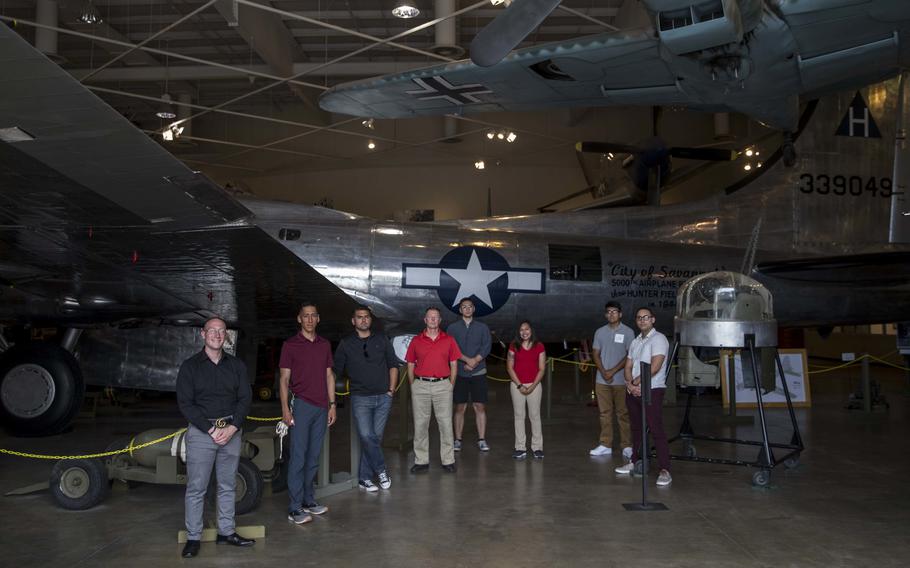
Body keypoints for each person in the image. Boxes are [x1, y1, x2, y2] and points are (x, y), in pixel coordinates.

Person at [176, 317, 254, 558]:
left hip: (230, 432)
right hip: (202, 433)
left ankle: (226, 532)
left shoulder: (236, 366)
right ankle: (193, 538)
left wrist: (232, 428)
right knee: (197, 488)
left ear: (225, 336)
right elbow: (185, 404)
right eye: (212, 331)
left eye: (221, 331)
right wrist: (211, 430)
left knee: (227, 485)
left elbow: (245, 399)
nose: (217, 335)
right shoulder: (190, 367)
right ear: (203, 334)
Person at [280, 302, 337, 524]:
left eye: (314, 316)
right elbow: (284, 379)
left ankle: (308, 501)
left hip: (322, 407)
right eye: (306, 316)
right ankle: (294, 508)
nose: (310, 319)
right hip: (301, 406)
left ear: (318, 319)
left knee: (313, 457)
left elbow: (329, 376)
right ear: (299, 319)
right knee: (298, 457)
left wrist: (332, 404)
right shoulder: (290, 345)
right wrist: (285, 408)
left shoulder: (324, 345)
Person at [334, 306, 399, 492]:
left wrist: (391, 390)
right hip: (360, 398)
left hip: (383, 397)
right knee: (366, 435)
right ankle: (381, 470)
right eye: (359, 317)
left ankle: (364, 478)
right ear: (353, 321)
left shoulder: (381, 339)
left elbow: (393, 365)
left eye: (366, 317)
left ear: (370, 320)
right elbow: (334, 371)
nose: (363, 320)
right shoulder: (346, 343)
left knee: (374, 438)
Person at [615, 307, 672, 487]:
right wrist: (630, 384)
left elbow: (655, 367)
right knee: (637, 428)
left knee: (656, 429)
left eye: (646, 317)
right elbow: (628, 365)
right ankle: (635, 461)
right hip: (634, 391)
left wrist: (637, 383)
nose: (642, 320)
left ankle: (665, 470)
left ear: (653, 320)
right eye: (639, 318)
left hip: (652, 390)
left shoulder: (659, 339)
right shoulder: (636, 341)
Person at [405, 307, 462, 473]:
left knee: (445, 423)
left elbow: (453, 364)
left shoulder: (449, 340)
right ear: (425, 320)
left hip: (443, 386)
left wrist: (450, 384)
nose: (433, 320)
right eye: (430, 317)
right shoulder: (416, 340)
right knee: (421, 424)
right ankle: (421, 460)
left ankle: (448, 460)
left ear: (440, 320)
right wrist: (413, 384)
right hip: (420, 386)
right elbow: (410, 363)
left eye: (436, 317)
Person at [447, 298, 493, 452]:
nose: (467, 309)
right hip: (460, 372)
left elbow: (486, 346)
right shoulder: (452, 328)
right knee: (460, 407)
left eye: (469, 307)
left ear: (473, 309)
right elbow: (451, 348)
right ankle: (457, 440)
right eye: (463, 307)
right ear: (460, 310)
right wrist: (468, 360)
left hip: (479, 372)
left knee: (479, 406)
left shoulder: (482, 327)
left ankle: (481, 439)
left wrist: (475, 361)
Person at [589, 301, 634, 458]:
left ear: (620, 314)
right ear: (605, 314)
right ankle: (605, 444)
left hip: (622, 380)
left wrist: (612, 371)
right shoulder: (600, 332)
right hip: (602, 381)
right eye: (608, 312)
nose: (611, 314)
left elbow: (630, 355)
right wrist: (604, 372)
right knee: (604, 413)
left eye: (614, 312)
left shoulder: (628, 332)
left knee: (623, 413)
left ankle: (627, 446)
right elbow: (595, 353)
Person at [506, 320, 547, 460]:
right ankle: (520, 447)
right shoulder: (513, 346)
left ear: (531, 330)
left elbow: (542, 368)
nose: (524, 332)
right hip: (517, 385)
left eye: (527, 329)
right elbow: (510, 367)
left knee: (535, 416)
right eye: (521, 330)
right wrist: (519, 385)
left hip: (534, 386)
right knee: (519, 416)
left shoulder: (539, 346)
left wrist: (533, 386)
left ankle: (537, 447)